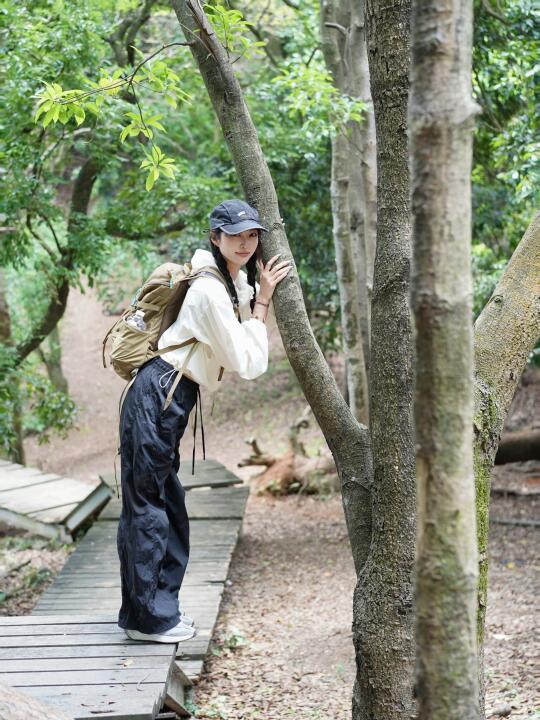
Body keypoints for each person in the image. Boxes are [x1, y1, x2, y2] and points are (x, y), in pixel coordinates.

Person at [116, 199, 292, 643]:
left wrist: (254, 290)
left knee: (162, 503)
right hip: (159, 395)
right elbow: (248, 363)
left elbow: (235, 317)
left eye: (251, 235)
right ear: (215, 238)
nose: (245, 244)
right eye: (234, 236)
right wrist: (264, 303)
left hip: (165, 395)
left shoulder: (223, 278)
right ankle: (148, 620)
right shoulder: (210, 290)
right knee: (150, 506)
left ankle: (152, 613)